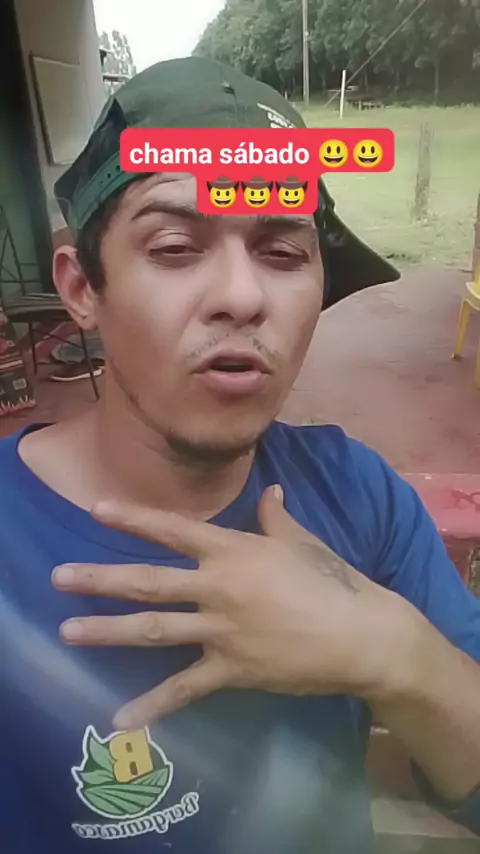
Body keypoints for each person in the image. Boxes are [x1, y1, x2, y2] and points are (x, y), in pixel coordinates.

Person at [1, 57, 479, 854]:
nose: (243, 296)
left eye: (282, 253)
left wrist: (396, 657)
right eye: (175, 246)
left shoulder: (359, 495)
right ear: (82, 287)